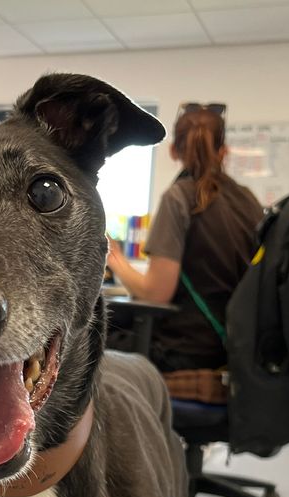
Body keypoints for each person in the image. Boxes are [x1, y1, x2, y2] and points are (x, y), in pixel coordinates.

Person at [106, 103, 263, 373]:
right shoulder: (248, 200)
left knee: (87, 336)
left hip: (187, 349)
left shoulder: (178, 198)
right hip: (236, 345)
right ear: (224, 151)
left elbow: (156, 293)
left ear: (173, 151)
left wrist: (115, 259)